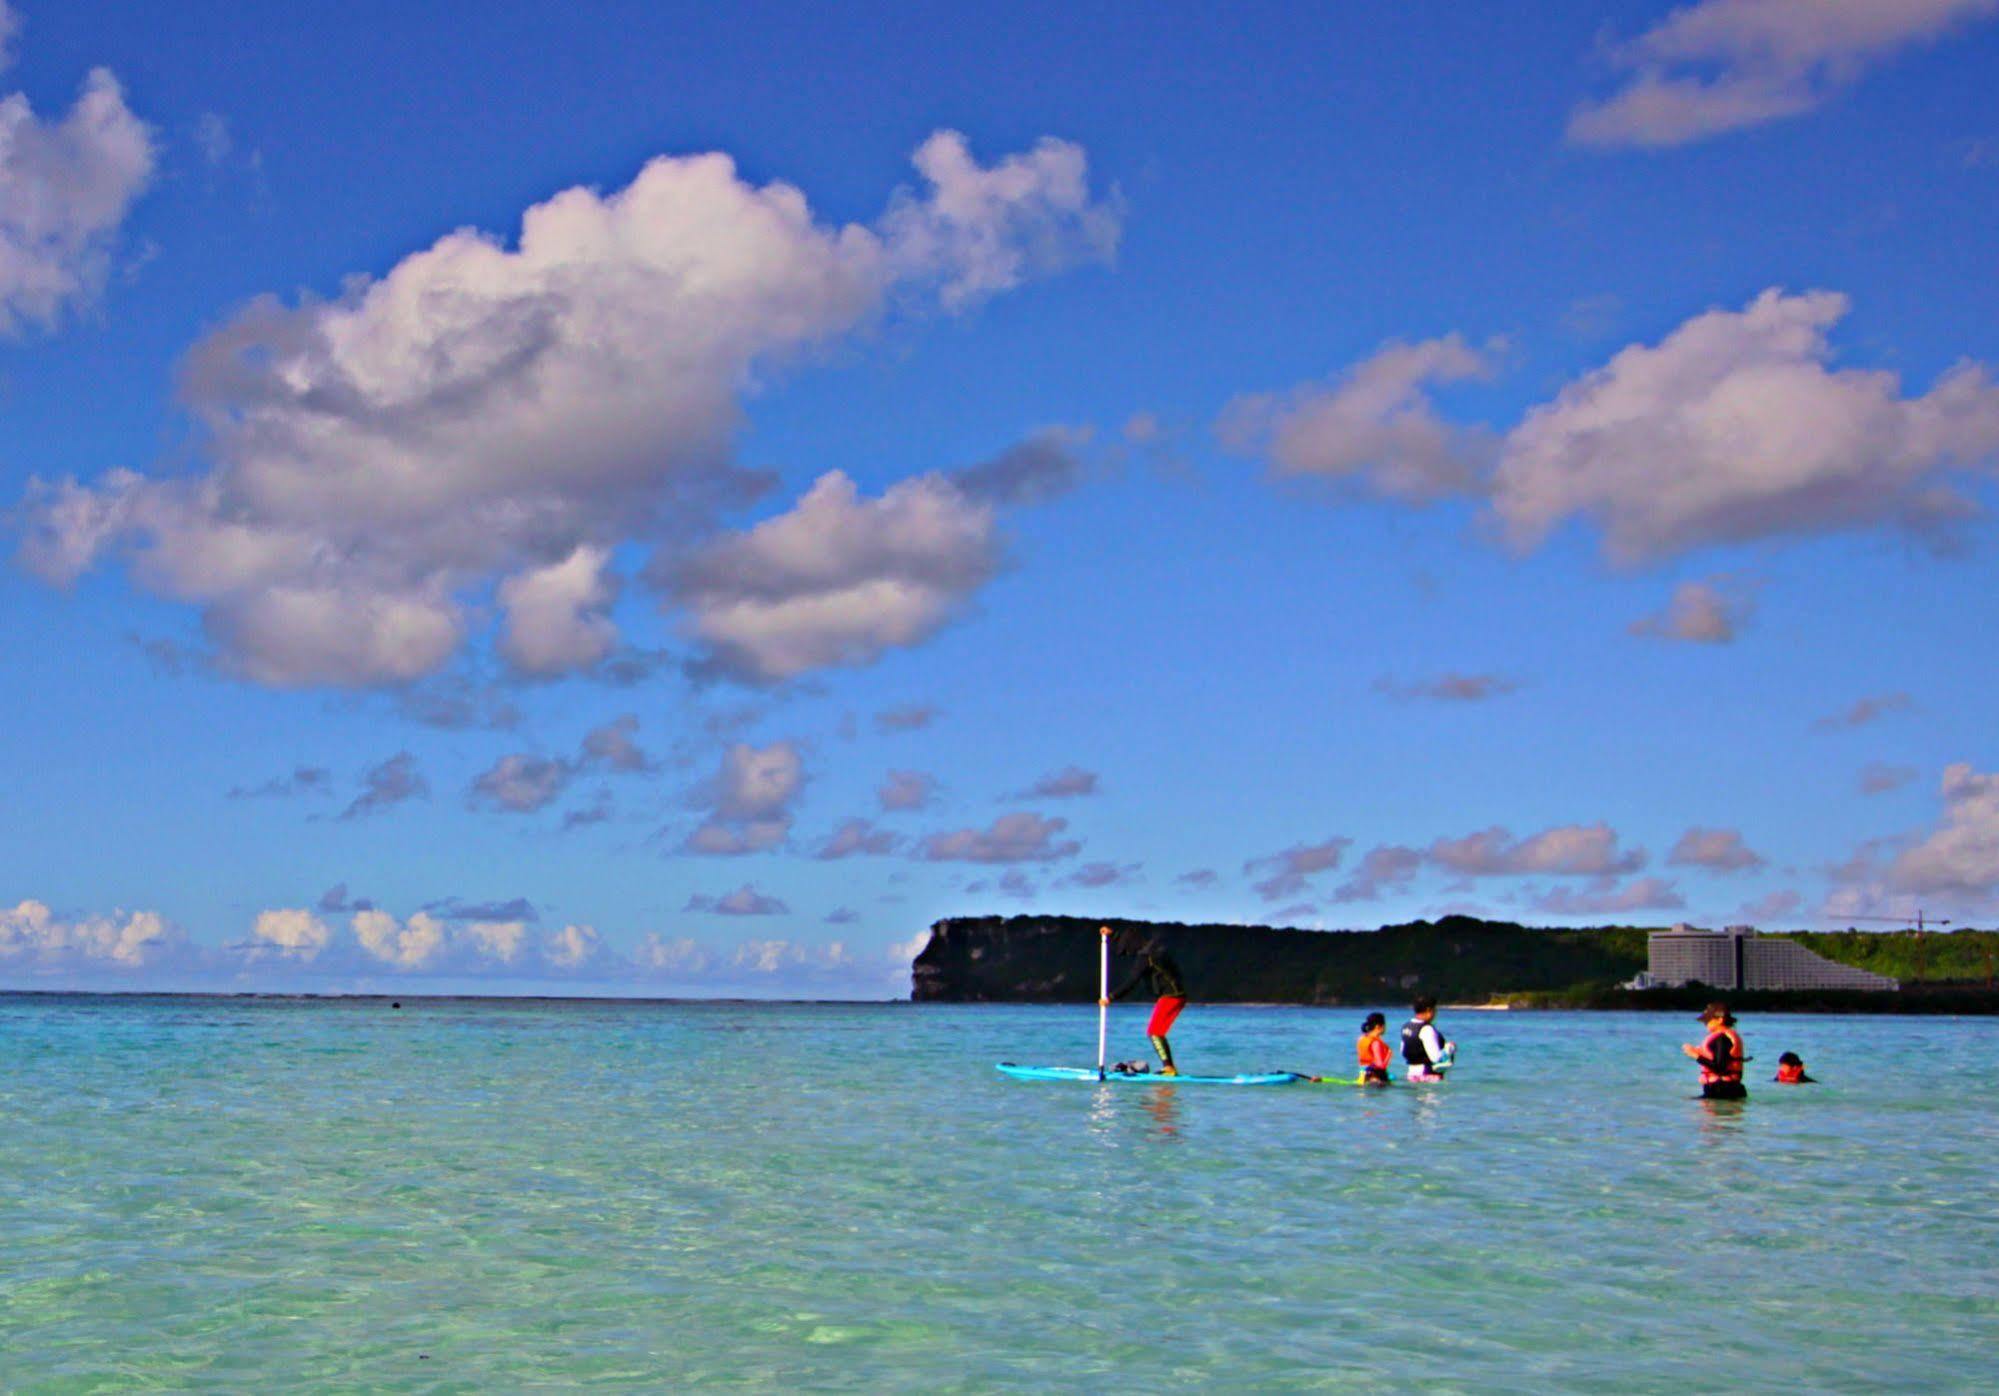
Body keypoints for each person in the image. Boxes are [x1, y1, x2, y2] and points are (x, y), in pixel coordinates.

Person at [1103, 927, 1187, 1076]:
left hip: (1171, 996)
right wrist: (1113, 935)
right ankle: (1170, 1068)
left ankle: (1169, 1069)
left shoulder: (1145, 957)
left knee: (1154, 1032)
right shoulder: (1151, 949)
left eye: (1127, 950)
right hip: (1175, 995)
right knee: (1156, 1032)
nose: (1128, 953)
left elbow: (1131, 981)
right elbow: (1128, 936)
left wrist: (1110, 997)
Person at [1682, 1002, 1747, 1099]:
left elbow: (1720, 1068)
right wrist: (1699, 1052)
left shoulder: (1722, 1038)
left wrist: (1695, 1055)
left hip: (1721, 1089)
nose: (1705, 1023)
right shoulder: (1724, 1036)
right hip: (1729, 1088)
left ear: (1720, 1020)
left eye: (1708, 1020)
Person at [1401, 995, 1454, 1082]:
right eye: (1435, 1010)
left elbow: (1403, 1051)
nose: (1436, 1013)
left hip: (1411, 1074)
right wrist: (1449, 1049)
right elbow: (1436, 1058)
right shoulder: (1427, 1029)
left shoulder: (1406, 1027)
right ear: (1429, 1010)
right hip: (1428, 1075)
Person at [1356, 1011, 1392, 1086]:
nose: (1385, 1028)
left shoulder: (1362, 1039)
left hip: (1362, 1075)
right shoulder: (1376, 1043)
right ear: (1378, 1026)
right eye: (1384, 1025)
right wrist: (1389, 1055)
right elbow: (1380, 1065)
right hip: (1376, 1077)